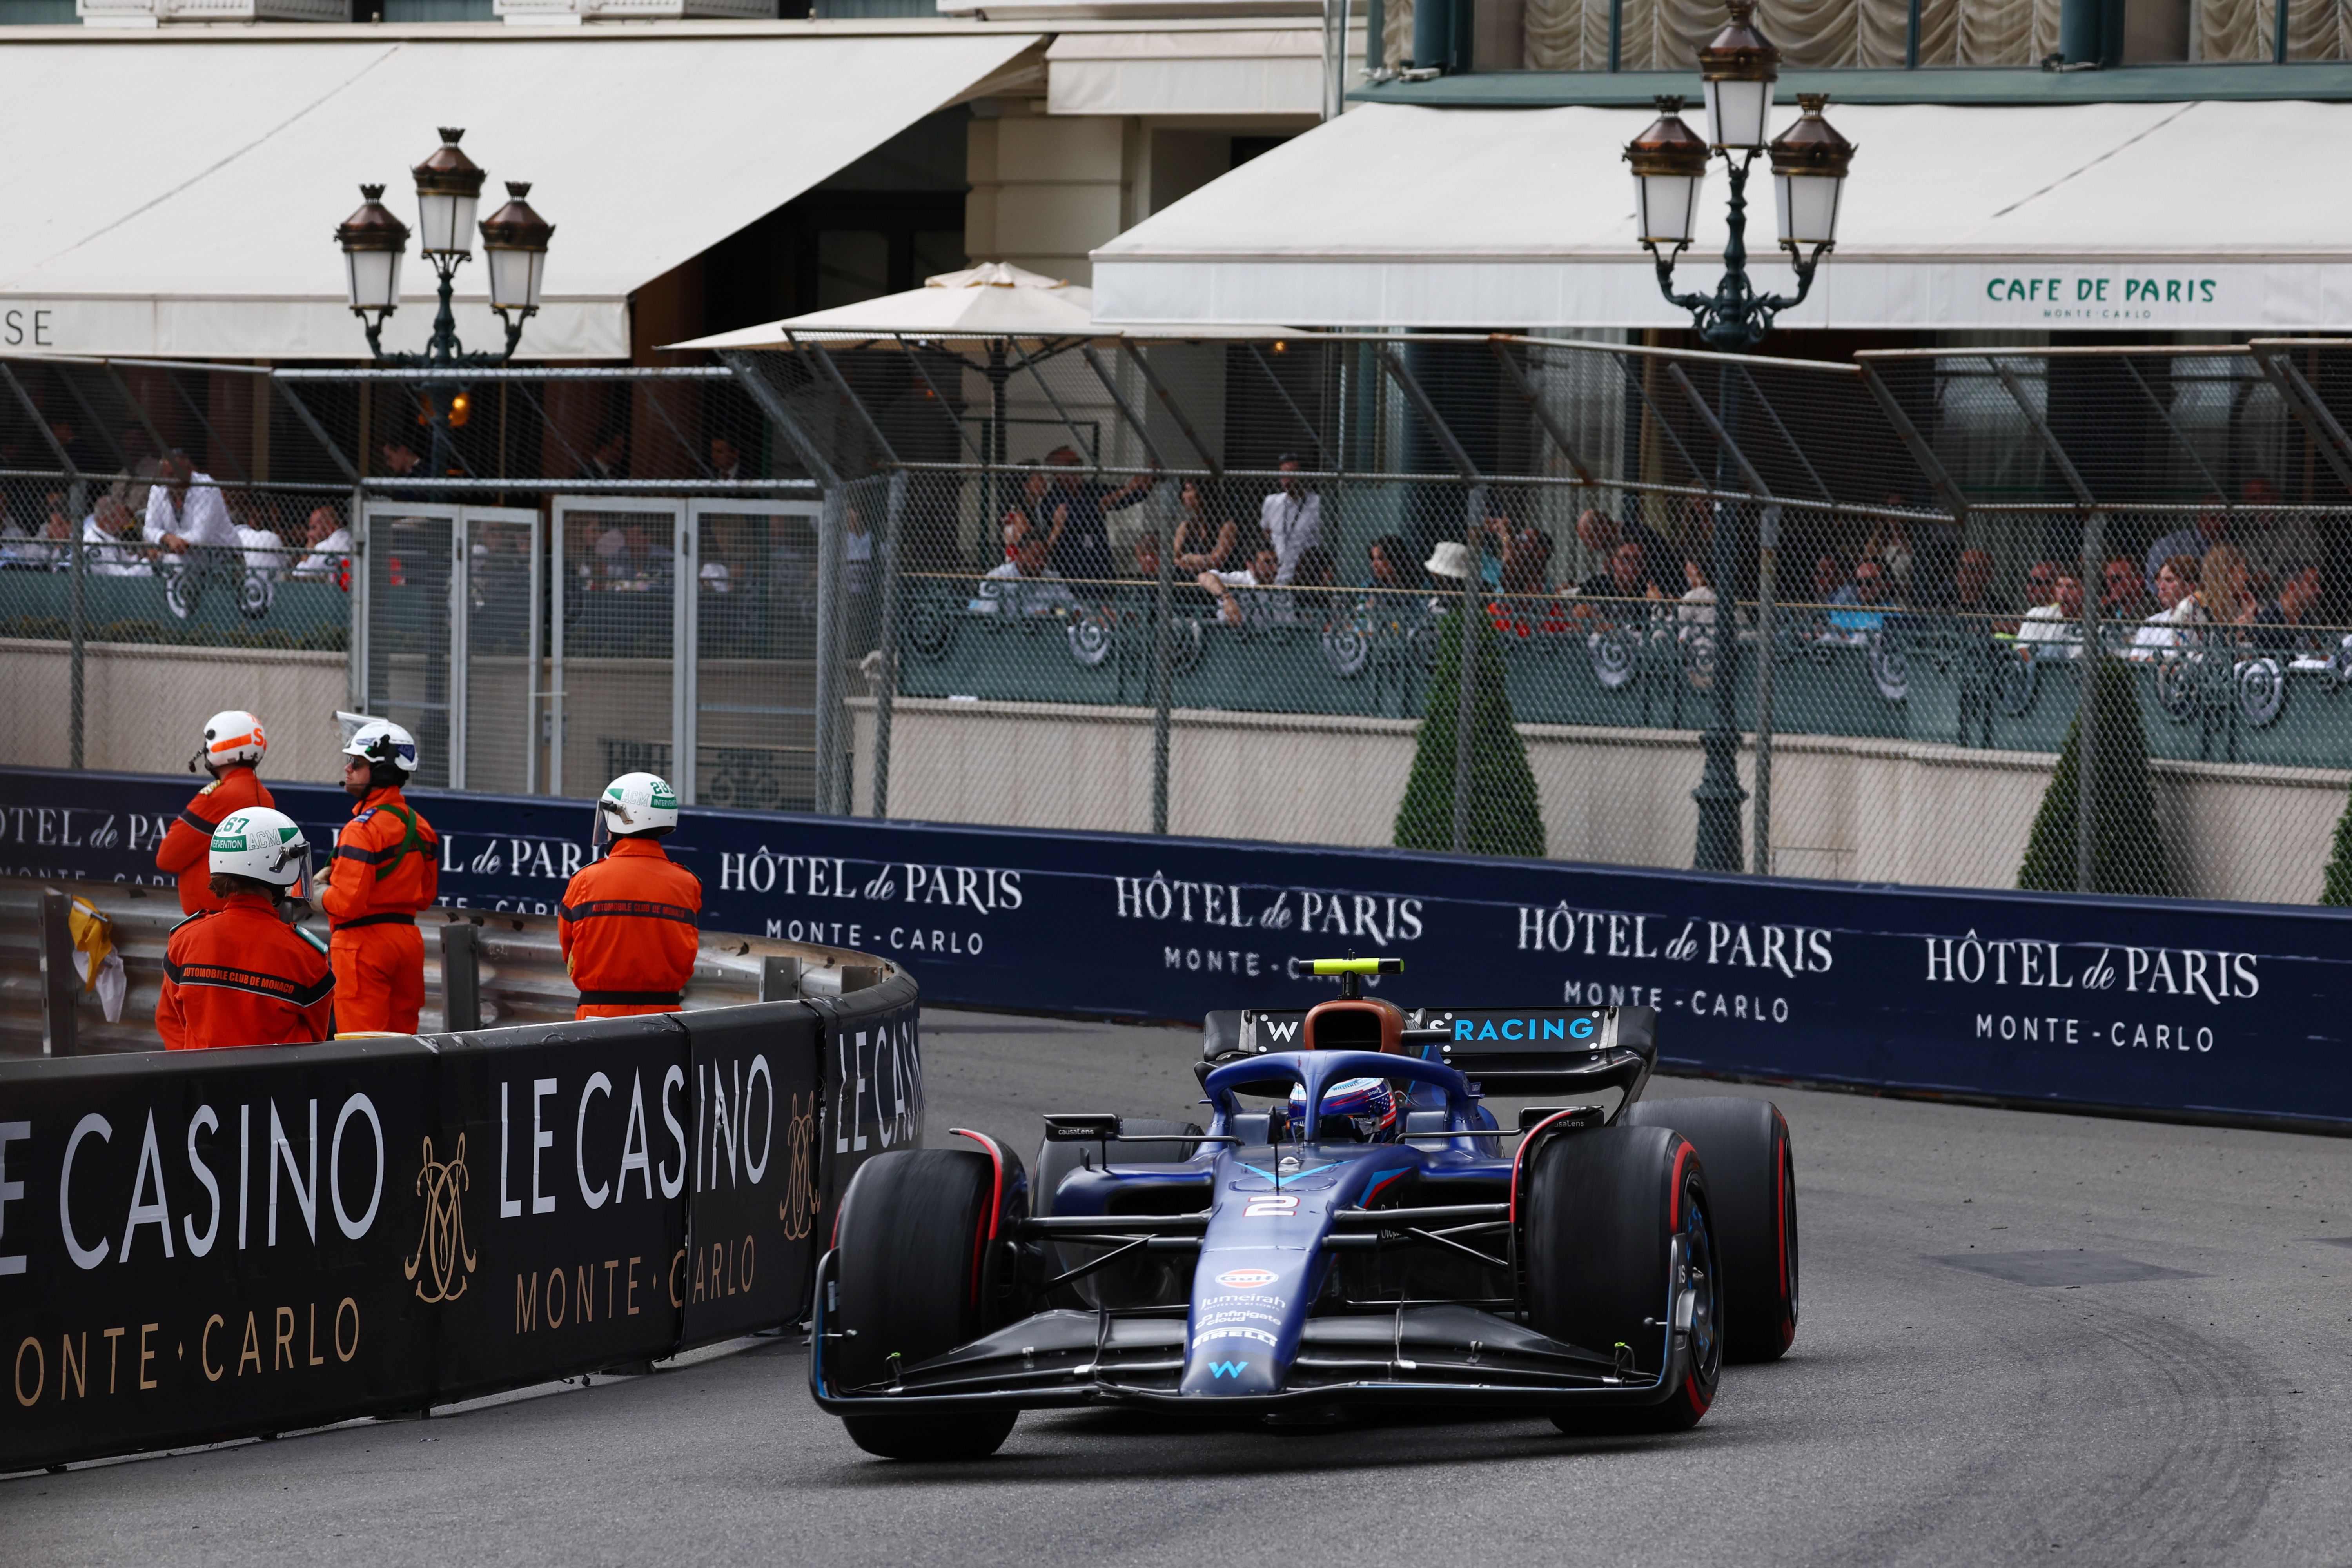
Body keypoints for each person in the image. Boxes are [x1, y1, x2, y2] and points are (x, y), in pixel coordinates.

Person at [155, 806, 334, 1051]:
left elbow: (181, 1019)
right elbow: (316, 1037)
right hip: (276, 1086)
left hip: (205, 1083)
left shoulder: (184, 939)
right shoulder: (307, 956)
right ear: (279, 863)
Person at [322, 719, 439, 1035]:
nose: (348, 769)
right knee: (404, 1047)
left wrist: (313, 892)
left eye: (356, 763)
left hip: (362, 947)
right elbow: (426, 897)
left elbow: (346, 903)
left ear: (382, 772)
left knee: (362, 1048)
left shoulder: (361, 829)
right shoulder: (422, 827)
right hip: (407, 944)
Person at [558, 773, 702, 1020]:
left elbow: (569, 951)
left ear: (625, 818)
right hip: (667, 1019)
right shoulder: (688, 884)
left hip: (597, 1017)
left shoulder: (585, 881)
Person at [154, 710, 276, 916]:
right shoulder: (264, 795)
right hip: (248, 915)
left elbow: (167, 858)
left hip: (212, 920)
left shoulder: (219, 796)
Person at [1043, 447, 1155, 582]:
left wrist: (1151, 478)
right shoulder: (1052, 500)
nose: (1079, 469)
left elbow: (1129, 497)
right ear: (1057, 473)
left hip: (1100, 566)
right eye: (1072, 465)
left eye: (1080, 464)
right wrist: (1128, 489)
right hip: (1071, 570)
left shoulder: (1091, 489)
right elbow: (1091, 509)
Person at [143, 449, 237, 555]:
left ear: (190, 471)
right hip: (182, 555)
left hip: (223, 556)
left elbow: (201, 536)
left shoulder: (206, 487)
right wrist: (167, 538)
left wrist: (169, 544)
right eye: (166, 475)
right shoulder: (158, 489)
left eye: (174, 474)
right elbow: (149, 529)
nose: (169, 480)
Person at [1573, 509, 1675, 598]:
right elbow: (1607, 580)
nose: (1592, 548)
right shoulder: (1612, 544)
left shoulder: (1639, 536)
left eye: (1591, 539)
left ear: (1602, 529)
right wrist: (1577, 586)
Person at [974, 532, 1079, 617]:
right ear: (1020, 554)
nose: (1042, 563)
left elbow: (1073, 607)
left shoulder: (1052, 578)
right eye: (1036, 557)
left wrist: (1051, 615)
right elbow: (989, 615)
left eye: (1046, 558)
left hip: (1044, 636)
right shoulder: (998, 576)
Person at [2143, 506, 2228, 601]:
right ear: (2200, 517)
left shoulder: (2230, 547)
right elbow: (2152, 581)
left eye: (2223, 519)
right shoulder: (2170, 544)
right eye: (2213, 518)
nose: (2218, 524)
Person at [1258, 455, 1320, 583]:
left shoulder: (1316, 503)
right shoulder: (1272, 502)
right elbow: (1266, 532)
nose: (1288, 480)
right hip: (1275, 569)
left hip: (1305, 570)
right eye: (1284, 475)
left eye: (1292, 475)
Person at [1199, 544, 1292, 629]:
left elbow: (1289, 622)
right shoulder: (1239, 580)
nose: (1274, 569)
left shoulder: (1281, 587)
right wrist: (1227, 598)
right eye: (1267, 563)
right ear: (1250, 565)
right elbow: (1205, 577)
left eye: (1276, 562)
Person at [2130, 555, 2205, 657]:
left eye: (2169, 580)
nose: (2162, 587)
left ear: (2191, 585)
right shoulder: (2151, 623)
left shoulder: (2202, 620)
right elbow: (2135, 658)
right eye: (2160, 581)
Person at [2251, 562, 2325, 653]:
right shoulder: (2268, 621)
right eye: (2313, 585)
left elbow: (2322, 654)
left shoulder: (2305, 619)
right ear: (2293, 587)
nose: (2320, 591)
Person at [1172, 480, 1238, 573]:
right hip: (1187, 573)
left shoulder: (1227, 526)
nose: (1184, 496)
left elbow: (1217, 560)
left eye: (1188, 490)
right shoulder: (1187, 526)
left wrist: (1190, 558)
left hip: (1217, 575)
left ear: (1203, 493)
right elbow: (1176, 557)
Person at [2017, 572, 2085, 654]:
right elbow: (2023, 648)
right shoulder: (2038, 614)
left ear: (2084, 591)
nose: (2063, 592)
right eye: (2060, 586)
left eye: (2072, 587)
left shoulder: (2096, 623)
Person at [292, 504, 353, 583]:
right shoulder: (350, 538)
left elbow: (298, 575)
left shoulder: (324, 547)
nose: (309, 534)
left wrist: (308, 551)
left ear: (328, 525)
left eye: (314, 528)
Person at [2100, 556, 2152, 621]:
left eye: (2115, 579)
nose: (2109, 584)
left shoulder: (2150, 611)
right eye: (2107, 579)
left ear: (2138, 580)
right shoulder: (2111, 609)